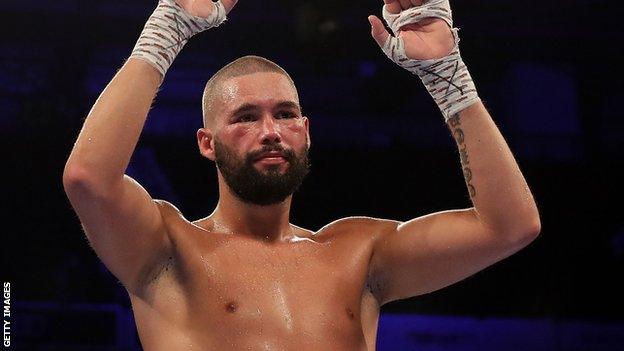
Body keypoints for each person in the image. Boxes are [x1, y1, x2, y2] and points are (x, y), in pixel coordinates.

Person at [62, 0, 541, 349]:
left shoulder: (360, 256)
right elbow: (89, 178)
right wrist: (168, 28)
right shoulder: (167, 251)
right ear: (207, 143)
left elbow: (511, 227)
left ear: (306, 133)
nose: (270, 131)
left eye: (285, 114)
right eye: (245, 118)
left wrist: (446, 74)